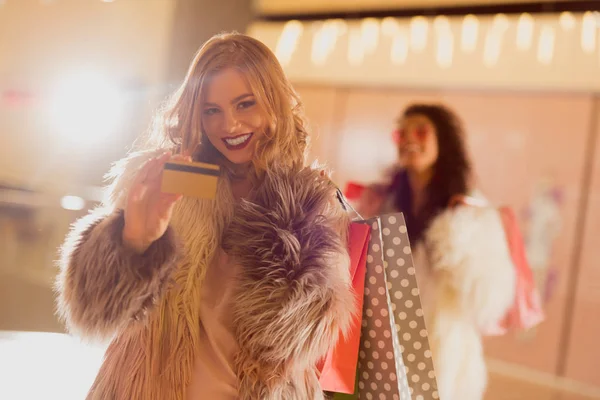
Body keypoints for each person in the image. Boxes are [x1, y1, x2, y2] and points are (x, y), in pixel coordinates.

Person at [55, 32, 355, 400]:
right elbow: (95, 307)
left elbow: (304, 335)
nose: (228, 126)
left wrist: (295, 227)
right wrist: (135, 238)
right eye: (211, 110)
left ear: (274, 102)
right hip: (149, 388)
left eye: (245, 105)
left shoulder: (309, 200)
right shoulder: (166, 180)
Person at [356, 104, 516, 400]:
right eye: (401, 132)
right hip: (382, 357)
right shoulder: (381, 205)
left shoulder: (471, 214)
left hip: (443, 364)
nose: (408, 139)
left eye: (420, 130)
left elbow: (490, 301)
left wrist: (455, 241)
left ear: (443, 141)